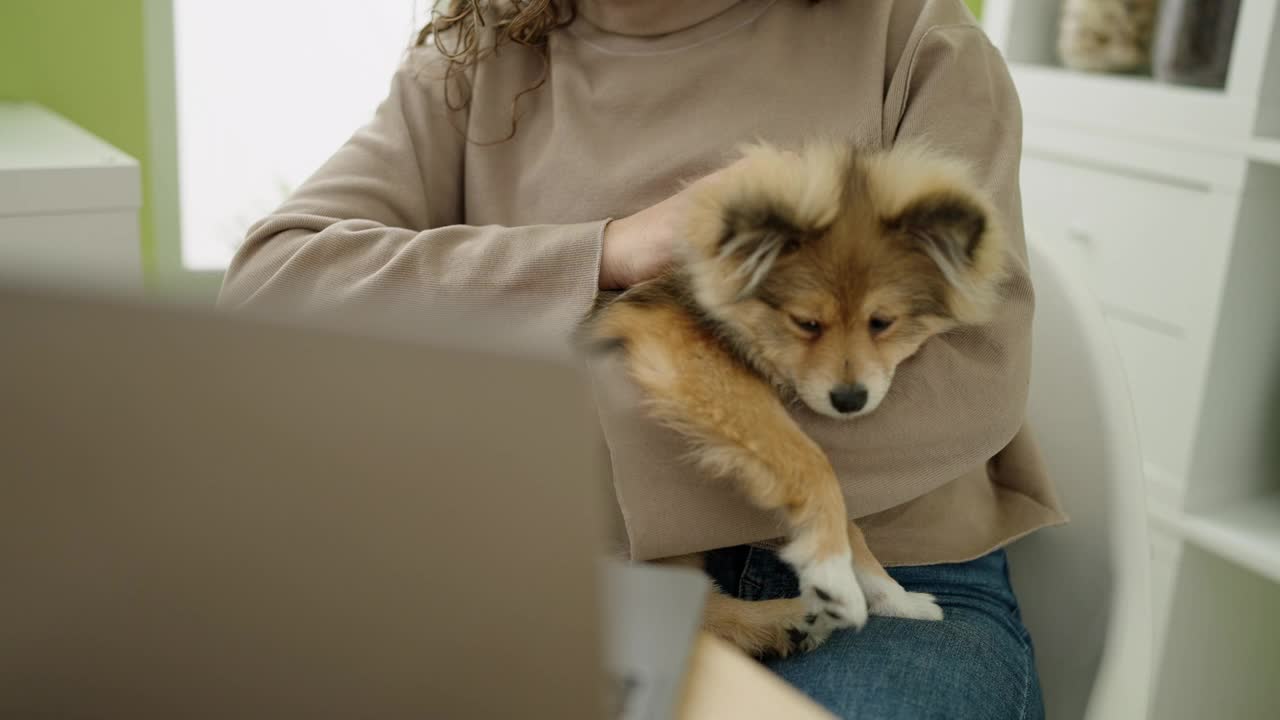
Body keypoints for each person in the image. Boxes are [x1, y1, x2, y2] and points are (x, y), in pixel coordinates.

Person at [220, 1, 1067, 717]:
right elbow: (274, 284)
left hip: (891, 570)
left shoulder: (909, 33)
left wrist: (553, 432)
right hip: (561, 570)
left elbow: (978, 371)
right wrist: (605, 252)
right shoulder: (472, 66)